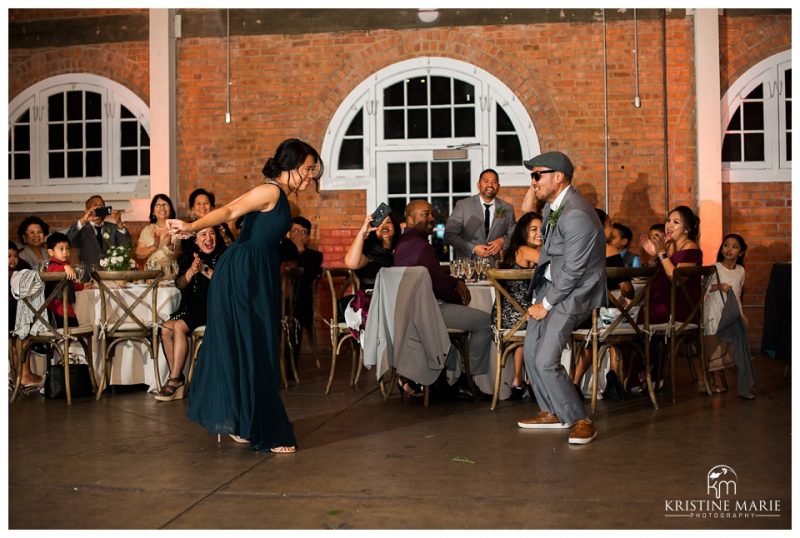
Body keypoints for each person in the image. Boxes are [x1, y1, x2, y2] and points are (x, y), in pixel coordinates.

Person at [167, 137, 323, 453]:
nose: (311, 176)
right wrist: (192, 226)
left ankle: (243, 421)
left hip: (257, 271)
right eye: (307, 169)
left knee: (253, 345)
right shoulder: (271, 191)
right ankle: (265, 428)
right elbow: (230, 209)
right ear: (291, 165)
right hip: (242, 273)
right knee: (252, 346)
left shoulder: (284, 198)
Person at [515, 151, 605, 445]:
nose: (533, 181)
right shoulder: (555, 206)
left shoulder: (575, 213)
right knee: (530, 352)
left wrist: (546, 304)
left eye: (537, 175)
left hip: (574, 294)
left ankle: (581, 419)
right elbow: (552, 252)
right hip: (552, 289)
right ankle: (551, 411)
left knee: (544, 360)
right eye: (532, 175)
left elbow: (574, 270)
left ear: (559, 176)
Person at [394, 199, 493, 399]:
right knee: (484, 321)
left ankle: (450, 377)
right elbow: (437, 283)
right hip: (426, 313)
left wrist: (454, 280)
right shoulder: (421, 247)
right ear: (411, 220)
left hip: (406, 314)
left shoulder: (402, 245)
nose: (431, 218)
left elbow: (433, 275)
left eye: (432, 213)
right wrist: (457, 296)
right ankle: (466, 379)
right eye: (425, 214)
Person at [155, 227, 227, 402]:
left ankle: (174, 381)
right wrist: (191, 271)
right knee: (165, 328)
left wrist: (203, 269)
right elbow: (180, 284)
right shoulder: (187, 257)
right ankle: (177, 378)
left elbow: (226, 283)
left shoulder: (224, 257)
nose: (208, 238)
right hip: (191, 307)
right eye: (203, 234)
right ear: (195, 240)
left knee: (179, 326)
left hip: (213, 307)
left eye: (212, 233)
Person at [571, 208, 634, 400]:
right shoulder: (610, 250)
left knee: (596, 332)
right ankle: (614, 375)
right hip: (605, 316)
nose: (612, 228)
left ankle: (575, 383)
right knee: (618, 320)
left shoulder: (576, 249)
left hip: (581, 312)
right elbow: (626, 287)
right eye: (610, 225)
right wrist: (628, 294)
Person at [495, 211, 543, 400]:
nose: (539, 233)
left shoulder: (519, 250)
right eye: (533, 229)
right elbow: (553, 263)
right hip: (519, 316)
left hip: (508, 315)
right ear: (523, 232)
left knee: (532, 317)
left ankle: (518, 378)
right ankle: (534, 379)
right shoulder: (525, 250)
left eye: (542, 229)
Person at [639, 206, 703, 325]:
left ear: (686, 229)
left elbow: (677, 280)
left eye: (676, 222)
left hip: (677, 308)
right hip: (660, 304)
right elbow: (656, 276)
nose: (669, 225)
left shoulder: (690, 248)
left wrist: (662, 253)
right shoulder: (668, 245)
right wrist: (654, 257)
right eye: (668, 220)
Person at [703, 233, 749, 394]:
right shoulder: (714, 268)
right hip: (715, 309)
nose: (729, 249)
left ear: (741, 252)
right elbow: (705, 288)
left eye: (734, 247)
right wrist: (719, 287)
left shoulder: (741, 271)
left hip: (731, 312)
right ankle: (710, 381)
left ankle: (719, 378)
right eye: (726, 245)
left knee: (727, 347)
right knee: (713, 344)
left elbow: (738, 294)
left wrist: (741, 314)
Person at [444, 168, 516, 263]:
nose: (490, 185)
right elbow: (449, 235)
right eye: (486, 181)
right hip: (468, 267)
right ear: (478, 185)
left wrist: (503, 241)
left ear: (498, 186)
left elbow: (515, 235)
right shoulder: (463, 205)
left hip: (495, 268)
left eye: (494, 182)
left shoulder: (506, 209)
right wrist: (473, 248)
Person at [278, 216, 324, 365]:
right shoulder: (279, 251)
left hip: (301, 303)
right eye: (294, 231)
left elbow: (309, 274)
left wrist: (298, 250)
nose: (297, 235)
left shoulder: (314, 256)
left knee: (294, 316)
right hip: (278, 300)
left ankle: (290, 367)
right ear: (288, 233)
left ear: (308, 237)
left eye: (302, 232)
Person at [65, 195, 131, 279]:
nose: (99, 207)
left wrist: (119, 223)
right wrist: (83, 220)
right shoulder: (81, 229)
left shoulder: (113, 228)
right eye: (95, 205)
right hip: (88, 278)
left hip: (112, 277)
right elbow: (68, 241)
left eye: (101, 205)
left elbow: (126, 247)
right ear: (87, 211)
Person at [8, 241, 42, 388]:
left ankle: (17, 374)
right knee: (23, 335)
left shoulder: (17, 273)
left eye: (15, 255)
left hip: (12, 318)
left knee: (19, 337)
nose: (12, 259)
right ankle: (25, 375)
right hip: (12, 318)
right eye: (8, 256)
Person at [344, 212, 401, 290]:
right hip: (371, 297)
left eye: (388, 222)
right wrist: (362, 232)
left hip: (393, 293)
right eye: (379, 223)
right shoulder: (371, 249)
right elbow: (351, 263)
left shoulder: (399, 248)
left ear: (394, 228)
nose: (384, 226)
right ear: (374, 229)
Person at [44, 232, 86, 329]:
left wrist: (83, 286)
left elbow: (68, 284)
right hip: (57, 307)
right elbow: (51, 272)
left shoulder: (65, 265)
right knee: (65, 330)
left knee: (73, 327)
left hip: (66, 306)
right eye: (61, 249)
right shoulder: (53, 265)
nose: (65, 252)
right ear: (51, 252)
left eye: (67, 249)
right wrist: (65, 267)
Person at [135, 194, 181, 276]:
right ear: (153, 211)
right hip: (151, 274)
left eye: (165, 205)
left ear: (170, 209)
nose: (162, 208)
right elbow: (139, 254)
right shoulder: (147, 230)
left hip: (172, 274)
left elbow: (181, 253)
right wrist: (154, 246)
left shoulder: (177, 228)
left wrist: (170, 245)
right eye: (158, 205)